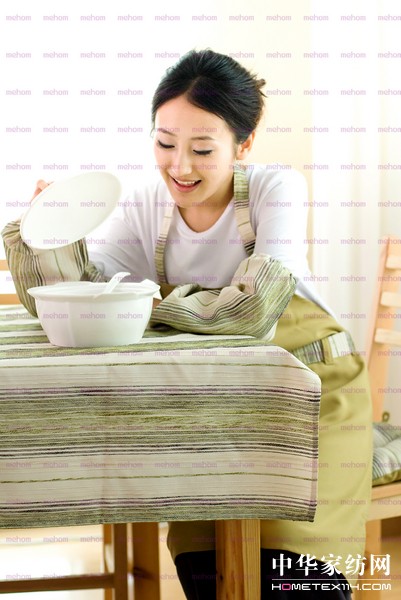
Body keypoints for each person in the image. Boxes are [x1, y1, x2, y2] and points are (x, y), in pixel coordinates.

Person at [2, 49, 372, 599]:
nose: (179, 167)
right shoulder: (145, 205)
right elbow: (79, 300)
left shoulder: (275, 189)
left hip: (311, 393)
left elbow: (257, 307)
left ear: (244, 144)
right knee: (209, 573)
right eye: (164, 143)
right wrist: (50, 233)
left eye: (202, 149)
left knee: (295, 578)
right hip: (213, 405)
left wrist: (149, 306)